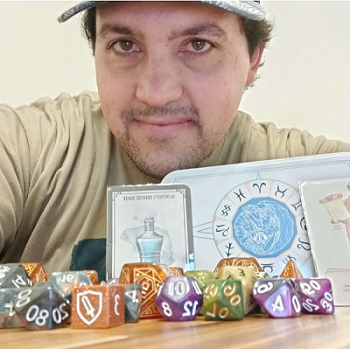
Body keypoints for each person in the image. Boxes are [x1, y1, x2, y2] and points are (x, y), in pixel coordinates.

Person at [0, 1, 349, 281]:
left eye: (198, 45)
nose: (156, 93)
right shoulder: (35, 151)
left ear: (253, 59)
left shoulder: (309, 173)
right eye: (125, 45)